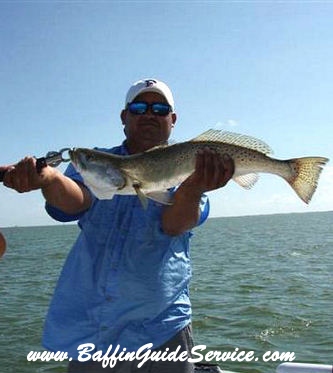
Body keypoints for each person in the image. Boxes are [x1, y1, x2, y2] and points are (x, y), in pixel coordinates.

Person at [3, 78, 234, 373]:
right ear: (124, 117)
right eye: (139, 107)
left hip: (161, 326)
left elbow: (175, 224)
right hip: (94, 326)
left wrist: (194, 187)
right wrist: (49, 178)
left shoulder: (188, 164)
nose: (149, 114)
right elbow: (75, 202)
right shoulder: (97, 161)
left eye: (159, 108)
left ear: (172, 120)